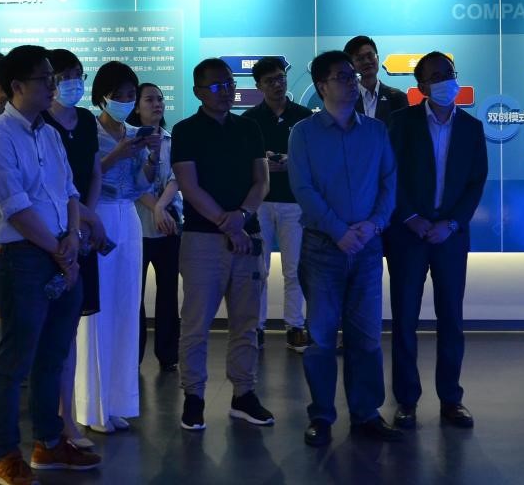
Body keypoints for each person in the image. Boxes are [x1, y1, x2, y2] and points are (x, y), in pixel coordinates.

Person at [0, 45, 101, 483]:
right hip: (24, 260)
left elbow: (69, 192)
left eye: (54, 78)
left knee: (54, 354)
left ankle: (48, 442)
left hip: (62, 252)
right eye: (45, 79)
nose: (53, 86)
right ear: (17, 86)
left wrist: (71, 240)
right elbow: (16, 210)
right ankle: (4, 454)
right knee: (15, 362)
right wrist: (60, 250)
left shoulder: (48, 133)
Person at [287, 50, 400, 446]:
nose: (352, 82)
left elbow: (389, 183)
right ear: (321, 86)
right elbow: (303, 188)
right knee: (321, 338)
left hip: (367, 247)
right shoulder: (303, 133)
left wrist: (374, 224)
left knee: (366, 337)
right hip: (323, 248)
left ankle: (366, 413)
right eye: (342, 77)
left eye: (352, 76)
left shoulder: (376, 131)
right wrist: (338, 231)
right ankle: (321, 416)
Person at [170, 58, 273, 431]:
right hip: (203, 240)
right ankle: (194, 396)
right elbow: (189, 186)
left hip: (248, 236)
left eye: (229, 83)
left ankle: (244, 394)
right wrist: (228, 225)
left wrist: (242, 217)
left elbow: (262, 181)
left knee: (246, 323)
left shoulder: (249, 127)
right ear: (198, 91)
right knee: (196, 324)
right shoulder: (185, 130)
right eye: (215, 86)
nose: (225, 91)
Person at [386, 51, 486, 430]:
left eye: (450, 73)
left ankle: (451, 399)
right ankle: (406, 400)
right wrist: (411, 217)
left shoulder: (472, 128)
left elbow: (475, 183)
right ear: (422, 86)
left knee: (452, 320)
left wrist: (452, 224)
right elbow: (390, 176)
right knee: (404, 321)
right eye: (437, 76)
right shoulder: (401, 123)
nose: (446, 81)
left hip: (450, 238)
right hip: (407, 236)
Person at [76, 61, 158, 433]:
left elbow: (141, 186)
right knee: (98, 311)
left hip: (129, 218)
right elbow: (85, 177)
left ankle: (118, 401)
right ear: (102, 96)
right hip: (99, 215)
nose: (126, 101)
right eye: (119, 94)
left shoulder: (134, 132)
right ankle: (92, 407)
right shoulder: (89, 130)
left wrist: (152, 156)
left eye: (130, 94)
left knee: (127, 307)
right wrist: (118, 154)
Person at [41, 49, 105, 449]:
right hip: (52, 234)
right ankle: (54, 423)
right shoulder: (39, 124)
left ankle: (68, 418)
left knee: (71, 328)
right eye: (65, 76)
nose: (73, 83)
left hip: (80, 232)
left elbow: (93, 172)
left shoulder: (85, 119)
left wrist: (86, 219)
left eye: (78, 74)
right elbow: (51, 187)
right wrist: (83, 221)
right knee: (52, 335)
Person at [240, 56, 313, 352]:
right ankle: (256, 326)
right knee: (258, 269)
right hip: (259, 203)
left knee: (294, 269)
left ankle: (295, 325)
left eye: (280, 78)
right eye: (270, 80)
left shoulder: (304, 116)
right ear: (258, 85)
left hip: (294, 203)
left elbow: (312, 160)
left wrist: (289, 162)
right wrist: (264, 164)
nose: (277, 84)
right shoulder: (249, 120)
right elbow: (242, 162)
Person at [128, 82, 183, 372]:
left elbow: (177, 177)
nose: (157, 104)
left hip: (168, 227)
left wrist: (162, 207)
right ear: (137, 107)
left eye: (160, 99)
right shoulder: (129, 140)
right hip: (137, 227)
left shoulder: (172, 140)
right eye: (149, 99)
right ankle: (133, 355)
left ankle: (168, 354)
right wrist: (156, 207)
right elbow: (133, 183)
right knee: (134, 295)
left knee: (168, 293)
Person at [344, 35, 409, 124]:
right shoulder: (345, 99)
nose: (366, 61)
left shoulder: (397, 97)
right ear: (351, 65)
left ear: (377, 58)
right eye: (360, 58)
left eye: (370, 56)